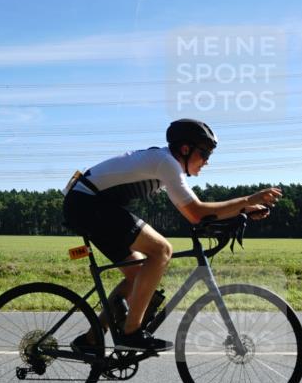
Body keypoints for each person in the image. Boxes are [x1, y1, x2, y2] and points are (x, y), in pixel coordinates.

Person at [62, 119, 281, 353]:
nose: (207, 161)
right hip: (88, 203)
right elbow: (196, 213)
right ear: (185, 149)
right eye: (204, 153)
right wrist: (247, 200)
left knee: (137, 275)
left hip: (88, 204)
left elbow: (199, 211)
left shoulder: (164, 164)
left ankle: (92, 339)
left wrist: (243, 210)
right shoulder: (166, 163)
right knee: (162, 251)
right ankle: (131, 332)